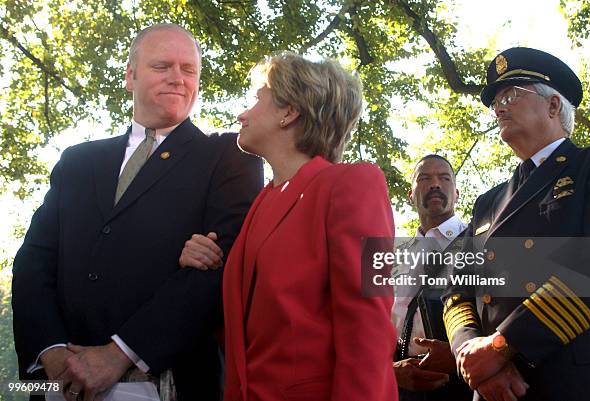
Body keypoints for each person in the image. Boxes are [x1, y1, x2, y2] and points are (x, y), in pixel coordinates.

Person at [11, 23, 263, 401]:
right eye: (163, 66)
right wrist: (52, 353)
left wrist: (118, 354)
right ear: (130, 76)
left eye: (189, 70)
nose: (178, 79)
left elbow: (220, 270)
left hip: (169, 382)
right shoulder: (78, 161)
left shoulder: (231, 157)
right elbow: (34, 262)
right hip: (58, 383)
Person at [220, 51, 396, 401]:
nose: (242, 114)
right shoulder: (263, 202)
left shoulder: (354, 184)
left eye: (257, 99)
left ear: (289, 112)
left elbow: (368, 328)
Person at [441, 47, 590, 401]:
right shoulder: (487, 202)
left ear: (553, 106)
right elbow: (456, 286)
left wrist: (504, 347)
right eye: (496, 101)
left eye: (512, 94)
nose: (499, 107)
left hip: (573, 381)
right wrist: (470, 353)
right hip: (493, 390)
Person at [392, 155, 471, 401]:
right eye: (424, 178)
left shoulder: (482, 242)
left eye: (444, 178)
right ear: (411, 194)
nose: (435, 184)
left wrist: (459, 353)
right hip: (402, 385)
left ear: (456, 193)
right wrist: (391, 371)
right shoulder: (396, 256)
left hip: (462, 382)